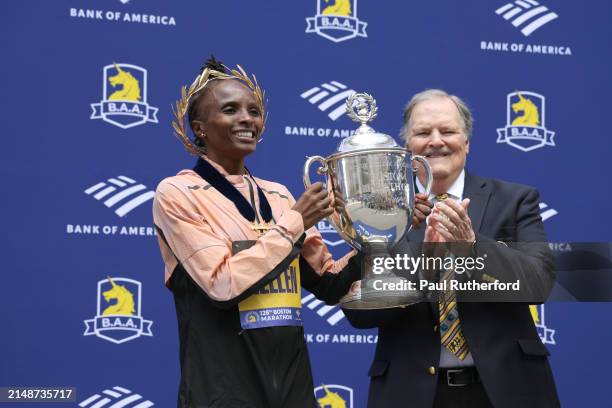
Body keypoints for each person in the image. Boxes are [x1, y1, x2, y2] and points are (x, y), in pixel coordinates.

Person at [152, 57, 361, 408]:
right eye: (231, 110)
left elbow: (329, 284)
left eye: (253, 110)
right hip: (221, 392)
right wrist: (295, 223)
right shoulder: (177, 193)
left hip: (293, 389)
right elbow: (222, 284)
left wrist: (378, 235)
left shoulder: (278, 194)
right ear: (200, 128)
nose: (247, 119)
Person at [344, 89, 559, 408]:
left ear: (467, 142)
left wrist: (473, 248)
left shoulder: (514, 200)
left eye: (447, 131)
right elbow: (360, 315)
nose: (435, 141)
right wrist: (424, 270)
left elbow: (538, 284)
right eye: (422, 132)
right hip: (410, 394)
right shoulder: (378, 211)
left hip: (508, 390)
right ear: (407, 146)